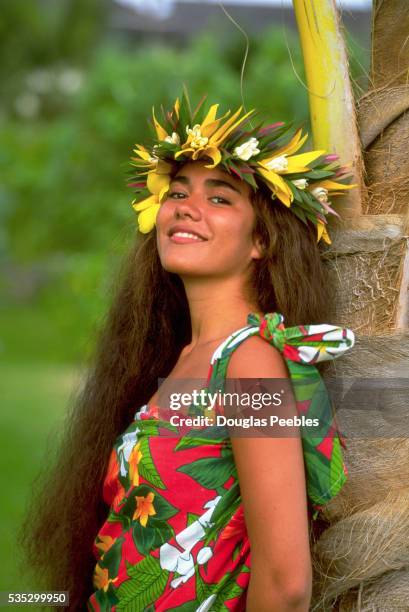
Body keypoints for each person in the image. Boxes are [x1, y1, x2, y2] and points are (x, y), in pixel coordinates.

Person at [21, 91, 355, 611]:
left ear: (260, 242)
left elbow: (286, 583)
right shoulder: (177, 359)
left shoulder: (250, 364)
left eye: (219, 198)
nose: (185, 207)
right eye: (177, 192)